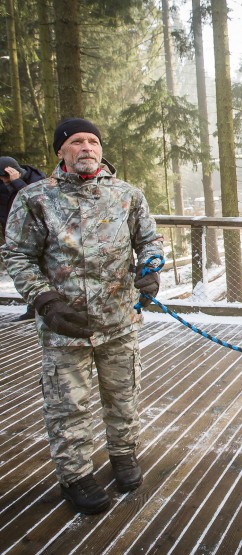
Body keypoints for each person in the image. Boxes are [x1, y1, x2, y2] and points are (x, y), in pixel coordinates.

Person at [0, 118, 163, 515]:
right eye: (76, 141)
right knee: (67, 404)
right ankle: (75, 476)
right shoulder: (36, 198)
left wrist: (151, 266)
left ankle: (123, 455)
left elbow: (149, 239)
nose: (87, 146)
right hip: (64, 326)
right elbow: (16, 254)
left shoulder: (127, 195)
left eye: (93, 140)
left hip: (119, 321)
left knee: (123, 397)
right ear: (61, 151)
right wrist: (45, 301)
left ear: (101, 149)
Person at [0, 156, 46, 321]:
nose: (3, 181)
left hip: (38, 235)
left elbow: (38, 203)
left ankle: (39, 307)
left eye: (4, 178)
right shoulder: (3, 183)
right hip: (14, 234)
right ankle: (32, 307)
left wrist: (16, 183)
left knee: (41, 271)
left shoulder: (37, 180)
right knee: (23, 272)